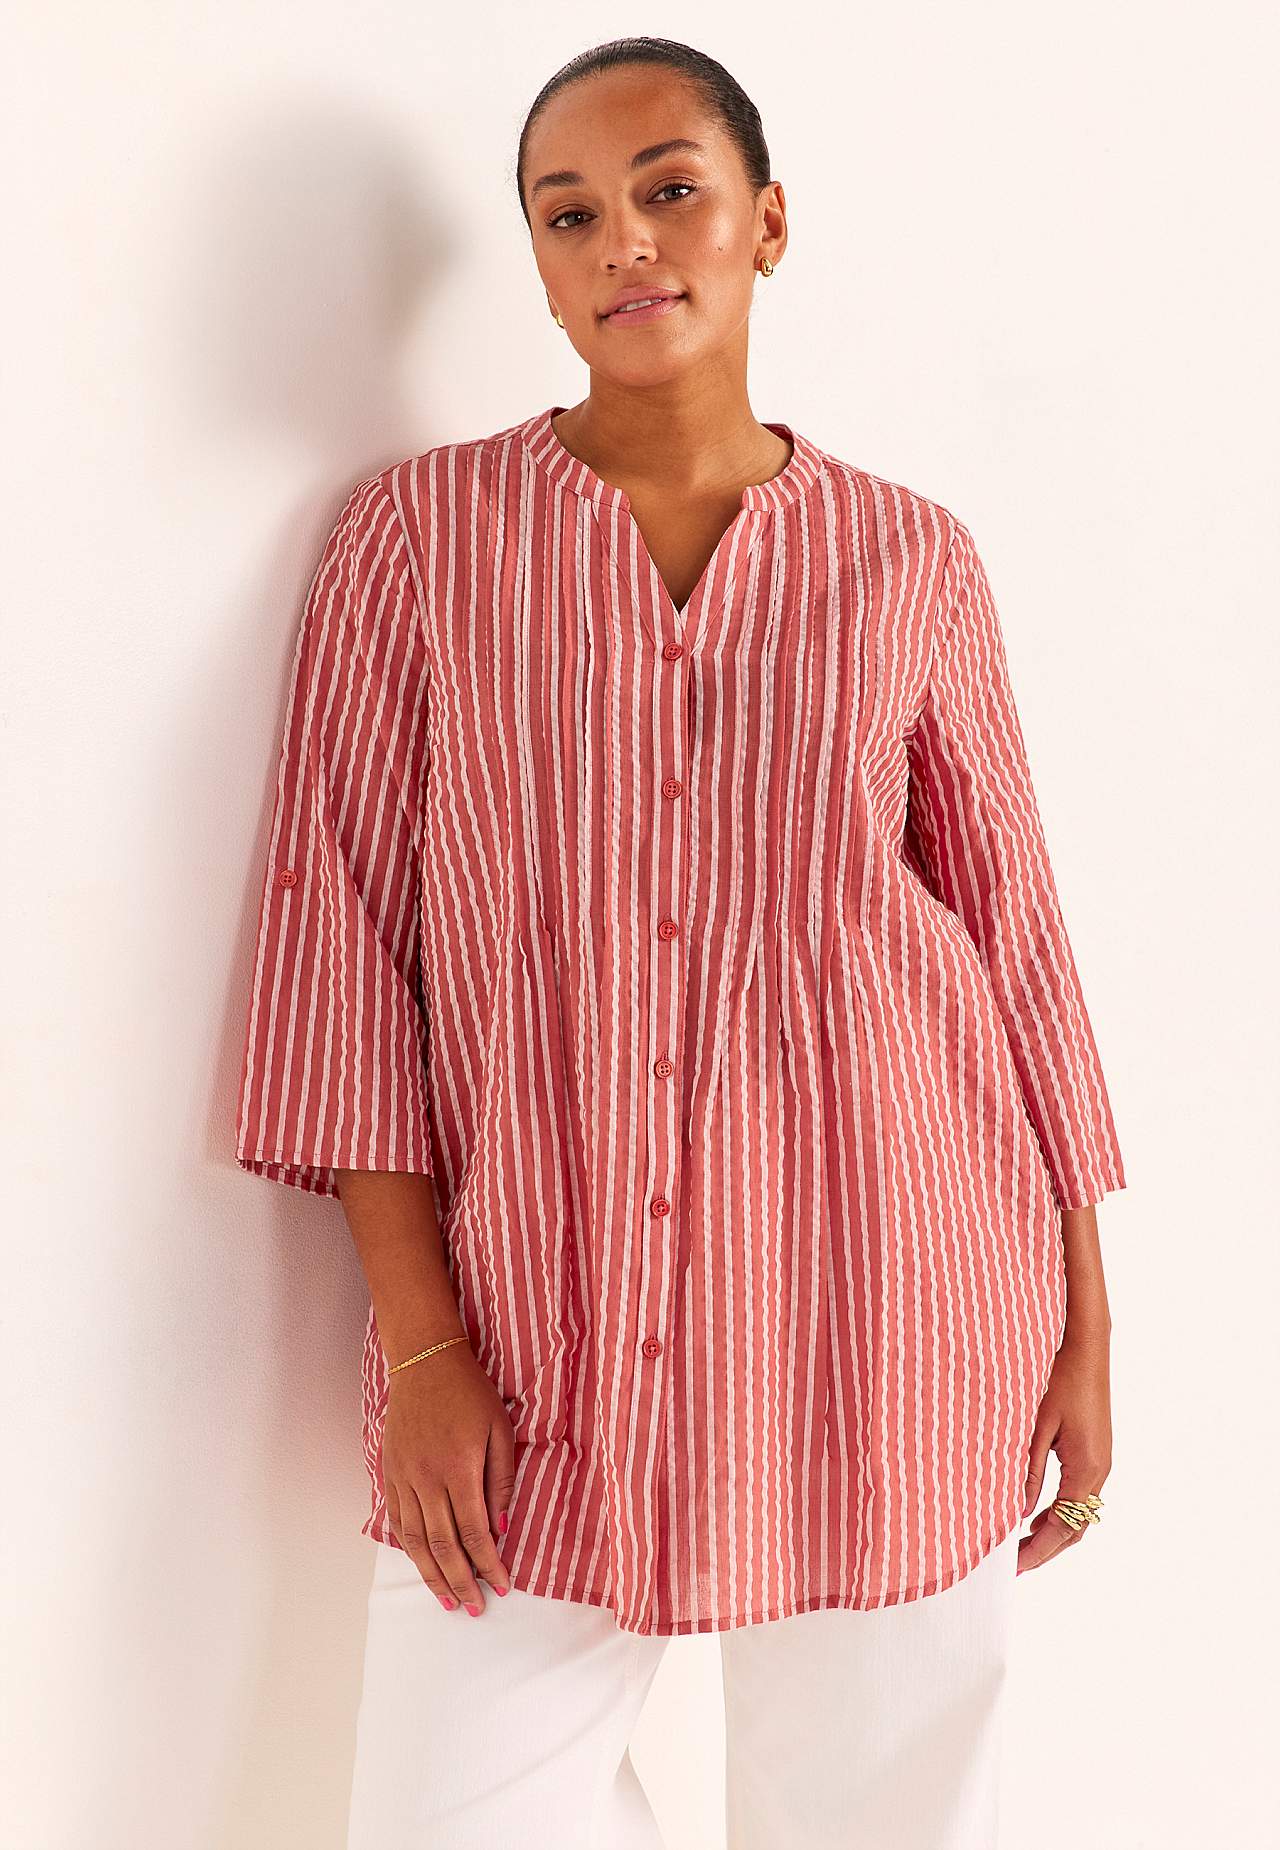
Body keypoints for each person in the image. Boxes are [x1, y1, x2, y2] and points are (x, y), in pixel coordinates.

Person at [233, 35, 1126, 1850]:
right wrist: (423, 1349)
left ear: (766, 223)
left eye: (669, 191)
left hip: (893, 1310)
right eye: (570, 215)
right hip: (540, 1338)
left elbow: (1016, 943)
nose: (625, 241)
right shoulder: (416, 545)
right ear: (540, 267)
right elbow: (341, 947)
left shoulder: (911, 561)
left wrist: (1087, 1319)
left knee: (893, 1816)